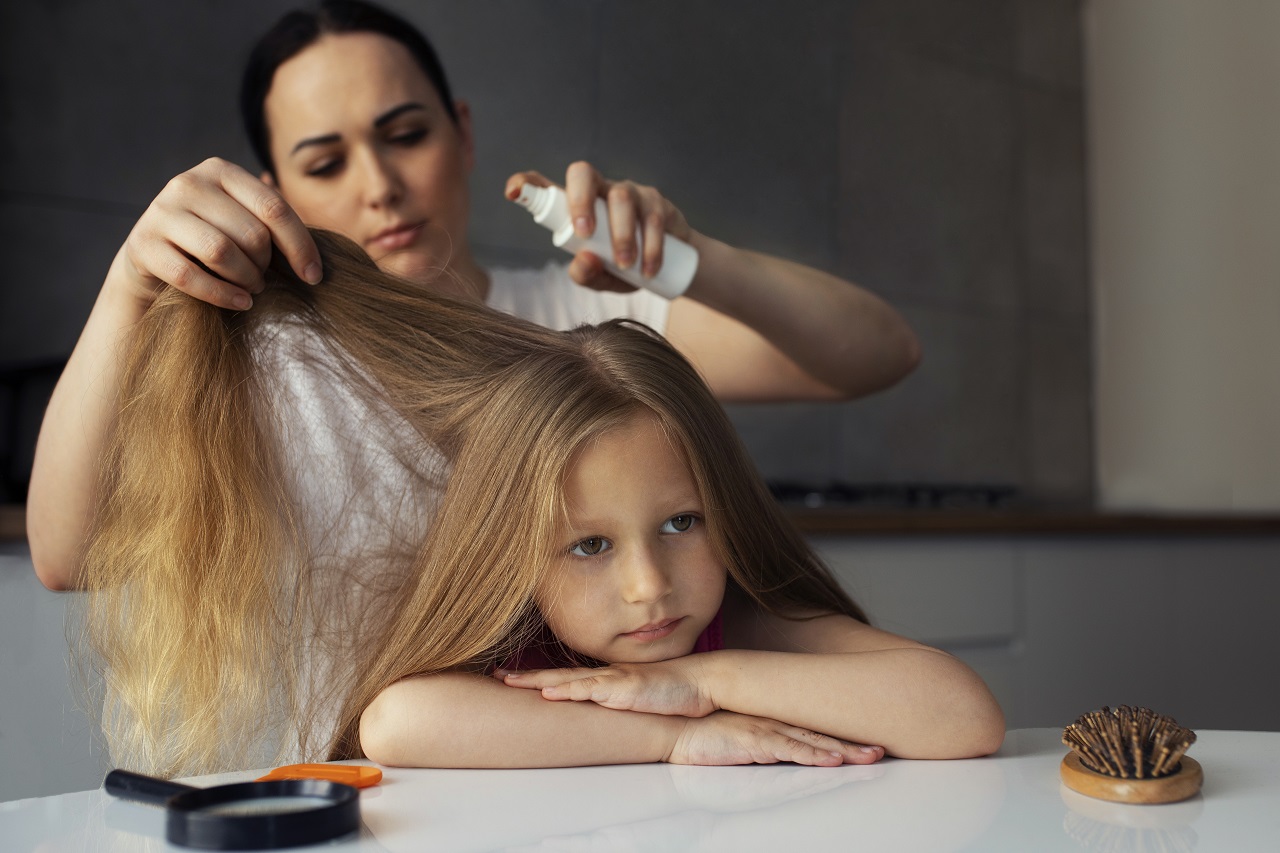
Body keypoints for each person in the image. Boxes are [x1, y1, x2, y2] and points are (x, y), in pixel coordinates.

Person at [28, 0, 919, 593]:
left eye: (405, 134)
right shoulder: (265, 373)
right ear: (276, 192)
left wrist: (696, 260)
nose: (379, 186)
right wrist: (127, 291)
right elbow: (67, 556)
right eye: (326, 162)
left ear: (462, 134)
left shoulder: (586, 323)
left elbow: (879, 353)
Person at [77, 230, 999, 777]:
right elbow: (398, 722)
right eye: (589, 546)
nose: (651, 586)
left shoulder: (743, 628)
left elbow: (960, 715)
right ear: (514, 552)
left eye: (682, 523)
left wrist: (704, 681)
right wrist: (678, 737)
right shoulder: (525, 654)